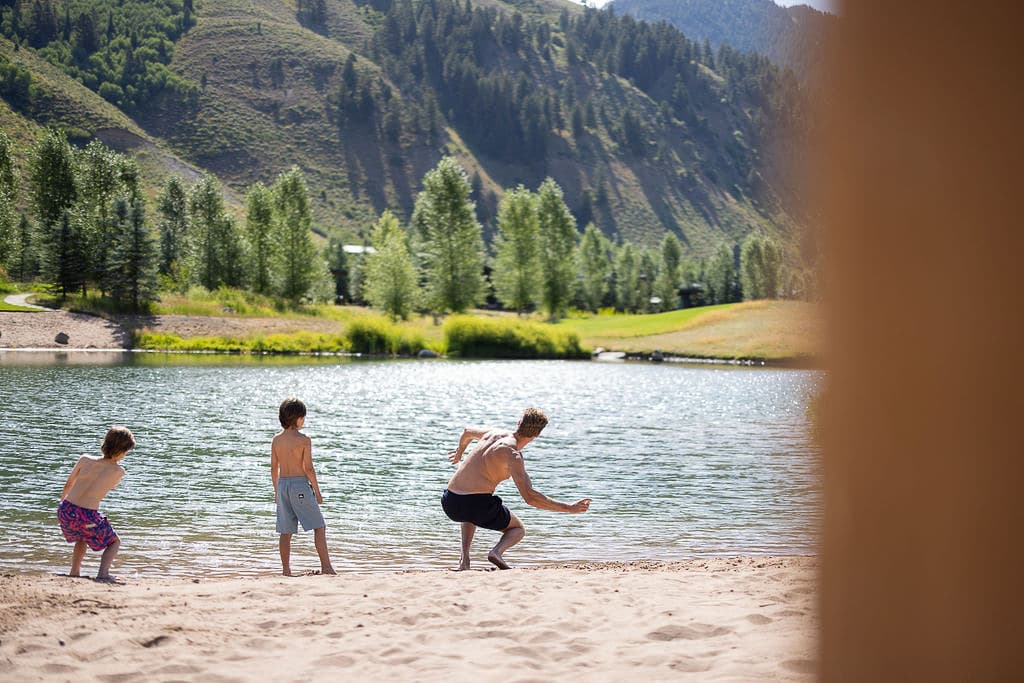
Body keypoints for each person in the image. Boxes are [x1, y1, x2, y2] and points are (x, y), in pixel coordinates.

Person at [442, 408, 591, 570]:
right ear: (537, 436)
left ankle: (465, 561)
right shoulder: (513, 456)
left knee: (469, 510)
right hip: (476, 505)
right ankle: (496, 552)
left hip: (450, 501)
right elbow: (530, 498)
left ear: (518, 423)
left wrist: (460, 452)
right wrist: (569, 508)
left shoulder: (493, 433)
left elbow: (467, 432)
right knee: (517, 529)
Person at [58, 426, 135, 581]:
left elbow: (68, 485)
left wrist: (63, 505)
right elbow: (109, 487)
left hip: (66, 510)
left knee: (81, 536)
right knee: (114, 542)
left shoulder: (84, 459)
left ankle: (75, 571)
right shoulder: (118, 472)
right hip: (87, 516)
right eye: (126, 452)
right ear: (121, 451)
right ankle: (103, 573)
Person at [271, 397, 336, 576]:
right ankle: (327, 568)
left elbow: (273, 468)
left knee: (286, 532)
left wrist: (277, 492)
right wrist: (317, 491)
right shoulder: (304, 440)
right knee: (319, 526)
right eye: (303, 417)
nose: (304, 421)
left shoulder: (276, 440)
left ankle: (286, 570)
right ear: (296, 418)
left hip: (282, 485)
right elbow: (308, 468)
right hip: (300, 485)